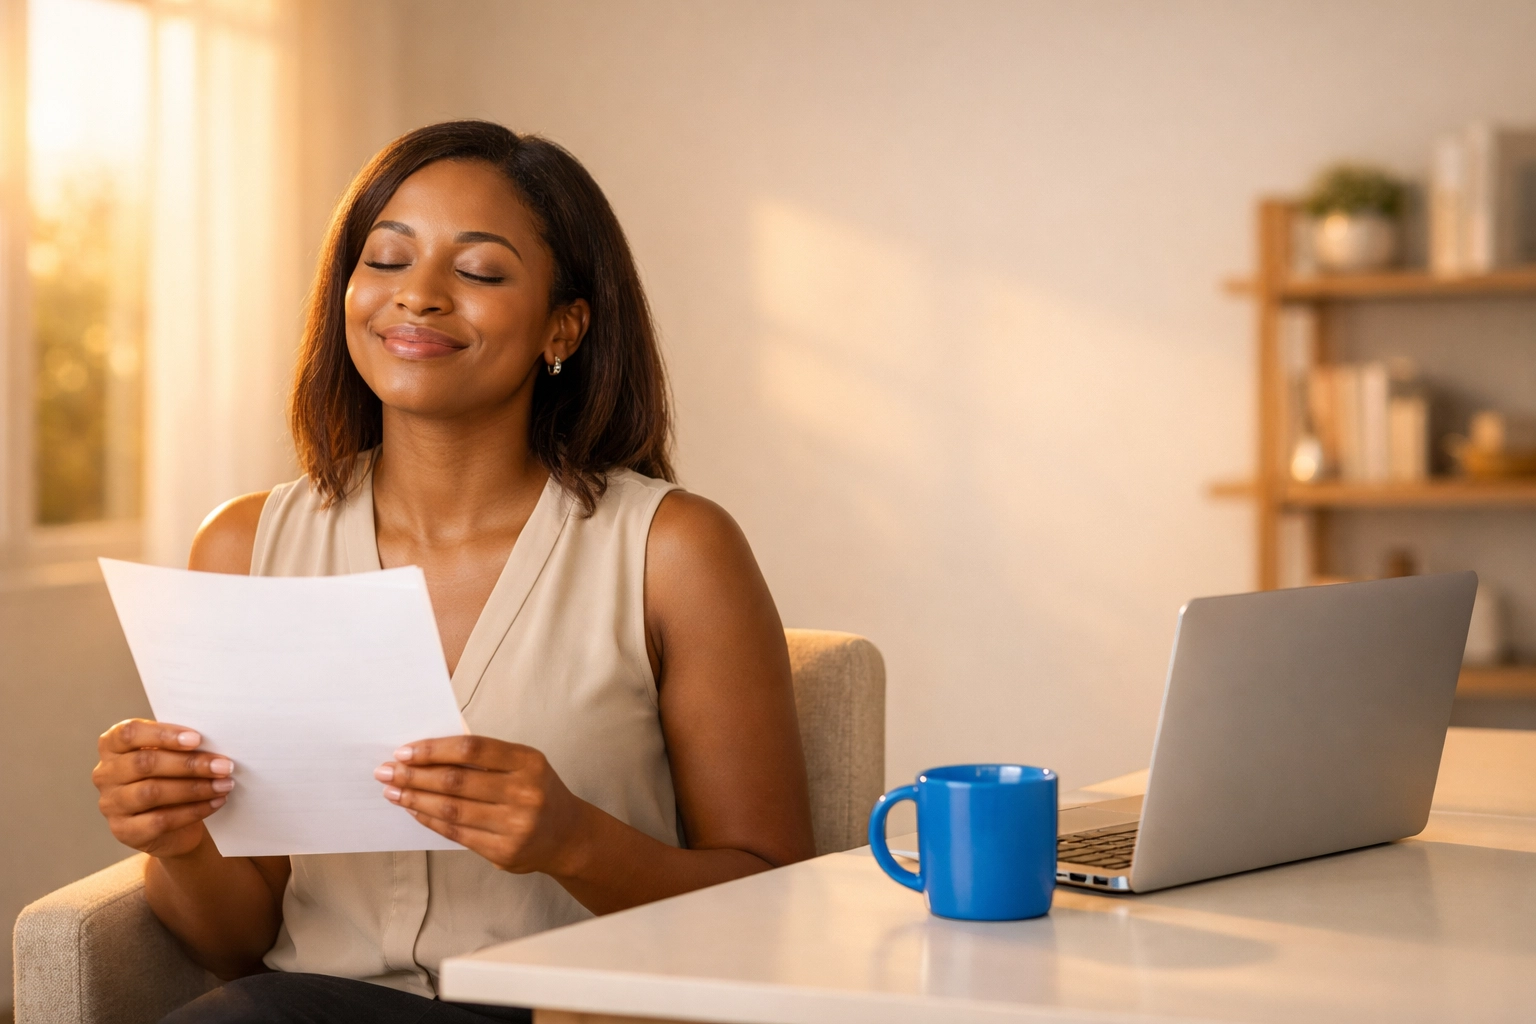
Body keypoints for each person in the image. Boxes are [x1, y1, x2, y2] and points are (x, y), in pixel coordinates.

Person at [90, 120, 816, 1023]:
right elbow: (234, 943)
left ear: (565, 324)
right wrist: (182, 840)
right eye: (387, 260)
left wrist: (577, 843)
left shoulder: (675, 550)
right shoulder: (243, 548)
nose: (420, 298)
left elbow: (776, 911)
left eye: (478, 272)